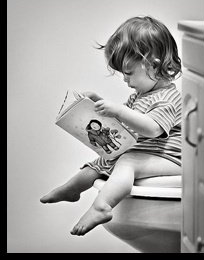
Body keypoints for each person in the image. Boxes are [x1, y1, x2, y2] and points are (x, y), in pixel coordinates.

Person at [40, 15, 182, 236]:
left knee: (126, 161)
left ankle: (102, 206)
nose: (125, 80)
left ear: (153, 64)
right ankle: (72, 189)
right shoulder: (141, 95)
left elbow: (153, 128)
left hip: (170, 157)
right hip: (147, 151)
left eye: (128, 73)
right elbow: (122, 122)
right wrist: (95, 103)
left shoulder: (167, 99)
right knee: (103, 160)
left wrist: (120, 110)